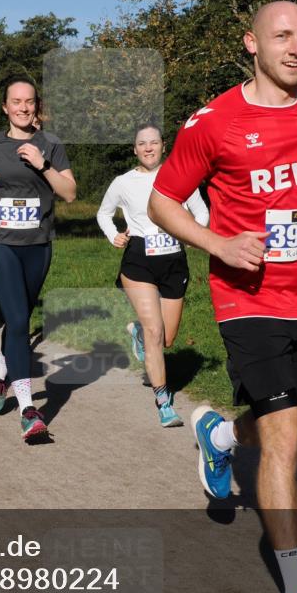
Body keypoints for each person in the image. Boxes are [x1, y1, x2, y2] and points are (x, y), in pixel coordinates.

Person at [149, 1, 297, 593]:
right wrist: (218, 243)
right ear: (253, 43)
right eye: (283, 35)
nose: (296, 46)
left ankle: (219, 435)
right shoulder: (214, 122)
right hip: (251, 301)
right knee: (281, 443)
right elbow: (165, 200)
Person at [0, 75, 76, 442]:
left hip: (38, 243)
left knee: (19, 318)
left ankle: (0, 371)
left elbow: (71, 193)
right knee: (15, 318)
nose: (23, 107)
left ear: (36, 106)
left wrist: (44, 165)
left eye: (29, 101)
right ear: (5, 107)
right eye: (16, 101)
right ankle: (29, 409)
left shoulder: (51, 144)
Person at [96, 123, 209, 427]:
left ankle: (136, 332)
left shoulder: (180, 175)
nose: (148, 148)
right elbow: (103, 213)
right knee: (155, 332)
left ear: (163, 146)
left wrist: (191, 235)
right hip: (139, 260)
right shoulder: (123, 182)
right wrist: (114, 235)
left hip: (174, 261)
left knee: (167, 338)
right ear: (134, 149)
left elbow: (202, 213)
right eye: (142, 143)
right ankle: (163, 400)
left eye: (154, 142)